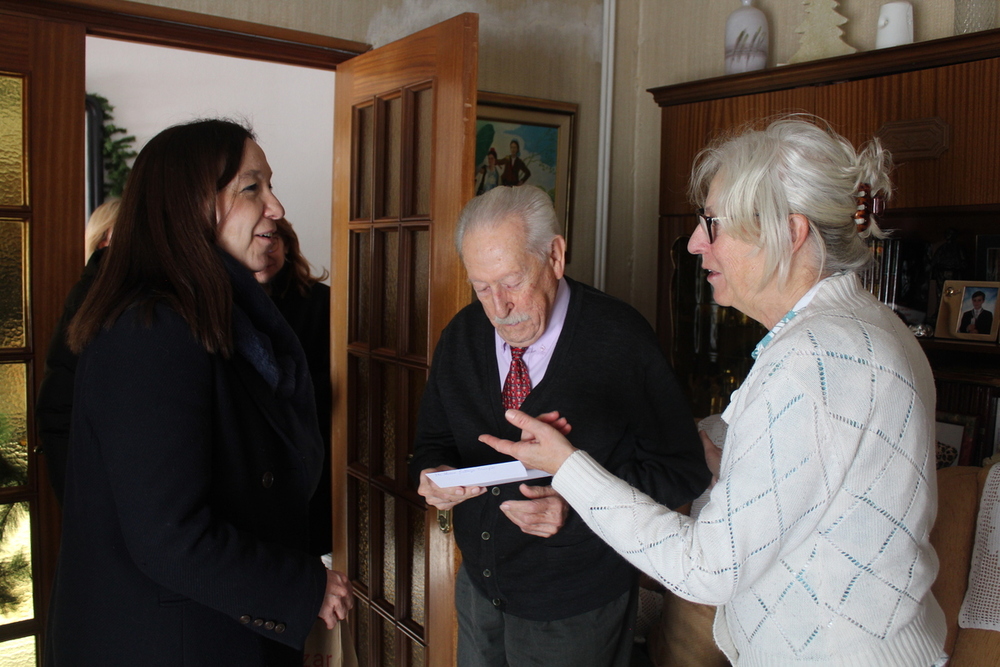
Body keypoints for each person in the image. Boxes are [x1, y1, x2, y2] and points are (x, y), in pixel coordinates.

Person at [482, 118, 949, 666]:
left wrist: (569, 466)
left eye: (713, 224)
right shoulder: (863, 326)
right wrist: (712, 456)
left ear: (790, 232)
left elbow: (705, 569)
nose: (697, 242)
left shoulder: (813, 360)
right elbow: (811, 482)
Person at [49, 119, 352, 666]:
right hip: (173, 642)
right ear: (191, 203)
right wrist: (299, 586)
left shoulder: (213, 313)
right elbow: (170, 534)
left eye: (270, 185)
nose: (277, 207)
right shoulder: (151, 329)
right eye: (252, 187)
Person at [409, 185, 710, 667]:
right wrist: (433, 476)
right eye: (481, 287)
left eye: (511, 281)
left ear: (555, 255)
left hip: (577, 606)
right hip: (479, 593)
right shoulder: (462, 336)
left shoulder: (621, 340)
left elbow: (683, 472)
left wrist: (576, 505)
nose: (498, 308)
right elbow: (431, 444)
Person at [254, 216, 333, 556]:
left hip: (315, 428)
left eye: (275, 240)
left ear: (288, 245)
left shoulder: (319, 300)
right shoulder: (228, 304)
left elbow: (336, 374)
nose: (267, 249)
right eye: (260, 239)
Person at [36, 197, 120, 504]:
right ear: (102, 242)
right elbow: (58, 404)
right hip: (100, 487)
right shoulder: (92, 296)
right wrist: (78, 500)